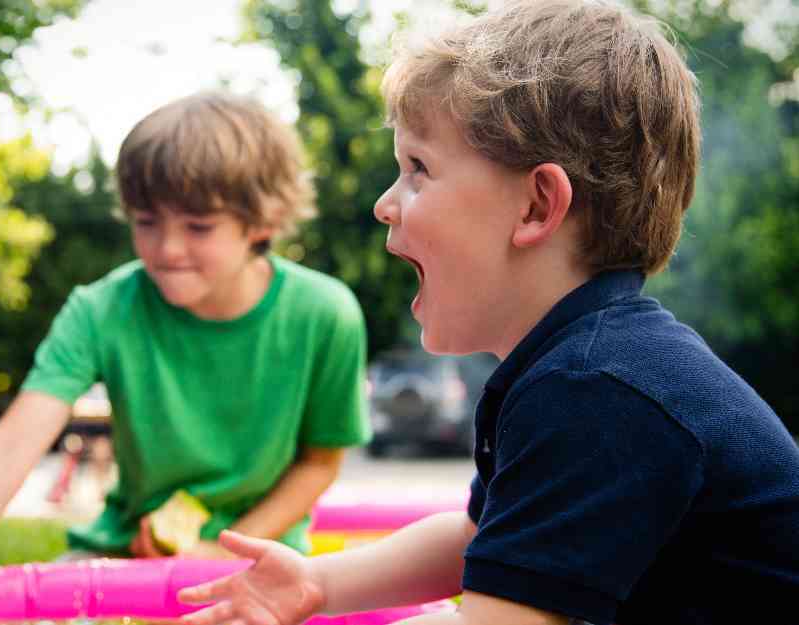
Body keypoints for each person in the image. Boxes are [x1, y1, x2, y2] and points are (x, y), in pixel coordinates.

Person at [175, 2, 799, 624]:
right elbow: (479, 537)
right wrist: (316, 583)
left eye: (418, 170)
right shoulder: (582, 365)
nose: (384, 205)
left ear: (535, 207)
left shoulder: (596, 390)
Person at [0, 91, 370, 625]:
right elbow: (7, 451)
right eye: (147, 221)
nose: (167, 249)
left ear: (262, 222)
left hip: (262, 561)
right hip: (123, 553)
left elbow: (318, 462)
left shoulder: (324, 313)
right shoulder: (101, 309)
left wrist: (225, 549)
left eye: (198, 227)